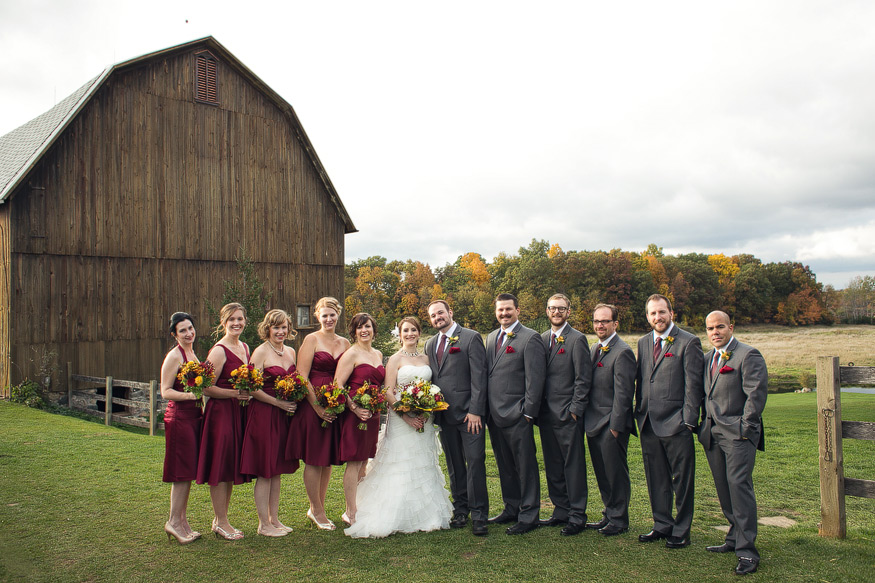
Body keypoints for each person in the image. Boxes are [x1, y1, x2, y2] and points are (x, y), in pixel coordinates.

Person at [345, 317, 453, 538]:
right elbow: (387, 392)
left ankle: (426, 513)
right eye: (406, 330)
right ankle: (393, 513)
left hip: (424, 418)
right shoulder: (393, 359)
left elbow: (431, 387)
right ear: (400, 334)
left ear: (419, 332)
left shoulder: (426, 358)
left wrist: (426, 408)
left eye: (414, 330)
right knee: (400, 462)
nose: (410, 334)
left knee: (422, 462)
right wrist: (406, 416)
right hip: (401, 420)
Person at [699, 311, 768, 576]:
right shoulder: (708, 359)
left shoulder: (748, 355)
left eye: (719, 327)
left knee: (739, 487)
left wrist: (745, 428)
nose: (714, 332)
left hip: (738, 435)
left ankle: (748, 552)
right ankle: (733, 537)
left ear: (731, 327)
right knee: (723, 488)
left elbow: (756, 395)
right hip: (713, 434)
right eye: (709, 328)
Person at [635, 294, 704, 549]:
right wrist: (639, 411)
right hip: (649, 423)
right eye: (653, 313)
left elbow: (693, 386)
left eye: (661, 312)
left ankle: (682, 529)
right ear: (647, 317)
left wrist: (687, 421)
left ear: (671, 313)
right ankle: (661, 524)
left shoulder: (689, 342)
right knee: (656, 479)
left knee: (681, 480)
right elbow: (643, 379)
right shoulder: (643, 343)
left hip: (676, 423)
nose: (657, 317)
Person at [425, 299, 489, 536]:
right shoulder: (430, 344)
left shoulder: (470, 337)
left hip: (469, 416)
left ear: (450, 312)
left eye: (440, 312)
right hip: (444, 416)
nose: (437, 317)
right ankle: (461, 510)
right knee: (454, 466)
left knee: (475, 463)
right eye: (433, 316)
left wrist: (476, 411)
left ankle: (480, 514)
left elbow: (479, 377)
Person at [286, 297, 350, 530]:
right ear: (317, 316)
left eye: (332, 314)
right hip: (313, 405)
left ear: (338, 315)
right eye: (324, 315)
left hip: (335, 406)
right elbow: (302, 375)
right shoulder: (311, 340)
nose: (329, 318)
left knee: (327, 460)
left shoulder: (345, 343)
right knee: (314, 460)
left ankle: (318, 507)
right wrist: (317, 407)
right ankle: (316, 509)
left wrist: (337, 404)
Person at [485, 293, 547, 534]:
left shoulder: (530, 338)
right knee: (505, 465)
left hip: (518, 414)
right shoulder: (491, 338)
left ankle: (529, 514)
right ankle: (511, 507)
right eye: (500, 310)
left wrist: (528, 413)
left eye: (508, 309)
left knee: (525, 466)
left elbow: (536, 379)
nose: (504, 314)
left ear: (518, 310)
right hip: (495, 415)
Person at [241, 309, 300, 537]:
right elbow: (253, 389)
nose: (281, 331)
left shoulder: (291, 351)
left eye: (284, 327)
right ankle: (263, 524)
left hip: (283, 416)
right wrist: (278, 403)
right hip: (264, 415)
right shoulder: (260, 352)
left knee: (276, 470)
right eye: (276, 327)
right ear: (268, 329)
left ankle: (274, 519)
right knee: (265, 471)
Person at [196, 302, 252, 541]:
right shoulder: (219, 351)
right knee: (220, 468)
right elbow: (205, 387)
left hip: (238, 413)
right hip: (220, 415)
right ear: (223, 323)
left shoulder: (245, 347)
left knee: (229, 468)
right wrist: (233, 394)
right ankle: (221, 522)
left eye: (240, 319)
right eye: (231, 320)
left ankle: (221, 519)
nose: (236, 323)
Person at [538, 294, 591, 536]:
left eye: (561, 308)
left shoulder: (577, 339)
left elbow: (583, 379)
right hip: (546, 415)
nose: (556, 312)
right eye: (552, 308)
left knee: (573, 465)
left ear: (569, 311)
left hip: (568, 415)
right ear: (547, 311)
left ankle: (577, 515)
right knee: (553, 465)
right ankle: (560, 510)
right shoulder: (542, 339)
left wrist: (575, 411)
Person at [584, 303, 636, 536]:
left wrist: (615, 427)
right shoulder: (595, 347)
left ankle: (619, 518)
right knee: (602, 472)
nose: (600, 325)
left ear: (615, 323)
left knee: (615, 473)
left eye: (605, 321)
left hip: (611, 424)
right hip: (594, 423)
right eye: (596, 321)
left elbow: (624, 394)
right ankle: (608, 512)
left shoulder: (622, 351)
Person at [334, 312, 385, 526]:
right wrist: (354, 408)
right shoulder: (351, 354)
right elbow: (337, 385)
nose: (364, 330)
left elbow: (380, 385)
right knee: (354, 462)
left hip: (373, 415)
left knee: (365, 461)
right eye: (359, 327)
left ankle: (361, 504)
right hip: (355, 415)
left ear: (374, 329)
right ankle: (350, 510)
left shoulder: (378, 354)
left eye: (368, 326)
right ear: (354, 332)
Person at [159, 312, 204, 544]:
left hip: (194, 417)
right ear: (174, 335)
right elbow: (165, 391)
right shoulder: (174, 356)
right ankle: (173, 522)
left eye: (190, 328)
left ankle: (182, 521)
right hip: (179, 418)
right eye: (183, 331)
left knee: (187, 472)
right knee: (180, 473)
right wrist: (190, 395)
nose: (188, 333)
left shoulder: (192, 354)